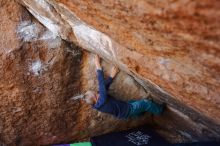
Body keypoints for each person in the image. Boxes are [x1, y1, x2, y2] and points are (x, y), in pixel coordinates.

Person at [82, 54, 165, 119]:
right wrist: (97, 65)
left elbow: (104, 89)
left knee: (135, 104)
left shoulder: (97, 104)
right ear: (96, 99)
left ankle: (140, 114)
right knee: (146, 103)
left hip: (123, 109)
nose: (97, 92)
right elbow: (101, 85)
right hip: (127, 110)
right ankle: (160, 111)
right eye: (96, 94)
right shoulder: (102, 100)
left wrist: (111, 76)